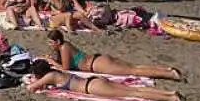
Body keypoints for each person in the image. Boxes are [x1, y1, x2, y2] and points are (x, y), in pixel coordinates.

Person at [43, 30, 182, 79]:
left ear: (58, 41)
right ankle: (167, 70)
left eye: (51, 42)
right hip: (99, 59)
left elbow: (66, 69)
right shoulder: (65, 45)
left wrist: (51, 62)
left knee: (134, 71)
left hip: (98, 65)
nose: (50, 45)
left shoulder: (64, 48)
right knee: (135, 67)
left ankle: (170, 74)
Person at [28, 60, 183, 101]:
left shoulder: (49, 77)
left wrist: (36, 80)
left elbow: (31, 88)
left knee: (133, 93)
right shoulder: (56, 73)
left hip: (92, 87)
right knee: (134, 89)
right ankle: (169, 93)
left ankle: (171, 97)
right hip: (93, 80)